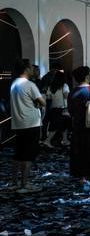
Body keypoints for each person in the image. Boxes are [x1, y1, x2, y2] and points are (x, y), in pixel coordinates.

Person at [10, 61, 46, 193]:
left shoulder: (14, 84)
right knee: (28, 155)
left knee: (18, 154)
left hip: (18, 124)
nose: (32, 69)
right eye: (31, 67)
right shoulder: (30, 85)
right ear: (26, 69)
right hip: (31, 123)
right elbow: (42, 102)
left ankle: (14, 183)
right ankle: (24, 185)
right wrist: (39, 101)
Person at [44, 70, 70, 148]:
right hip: (62, 109)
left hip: (54, 109)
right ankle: (47, 141)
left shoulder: (51, 86)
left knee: (60, 126)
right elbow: (66, 95)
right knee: (60, 126)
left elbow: (48, 97)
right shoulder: (64, 85)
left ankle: (65, 140)